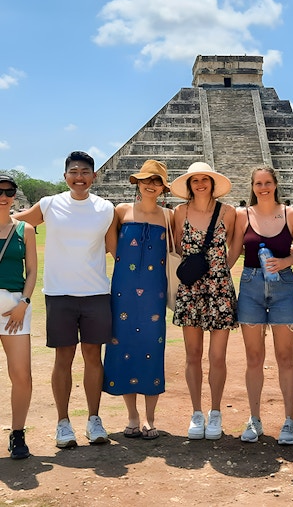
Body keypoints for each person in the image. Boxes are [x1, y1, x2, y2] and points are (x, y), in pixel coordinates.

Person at [14, 152, 116, 448]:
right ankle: (63, 422)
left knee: (93, 358)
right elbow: (15, 225)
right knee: (63, 359)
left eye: (85, 171)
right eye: (74, 171)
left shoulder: (105, 209)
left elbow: (116, 250)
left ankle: (94, 419)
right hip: (59, 295)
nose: (79, 176)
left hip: (96, 293)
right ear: (65, 177)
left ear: (94, 177)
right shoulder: (49, 204)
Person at [228, 166, 293, 445]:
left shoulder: (292, 214)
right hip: (250, 285)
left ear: (276, 185)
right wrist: (210, 275)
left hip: (283, 286)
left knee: (285, 358)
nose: (263, 188)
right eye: (258, 183)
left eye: (268, 183)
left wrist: (285, 261)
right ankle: (254, 418)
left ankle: (289, 420)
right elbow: (233, 253)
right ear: (252, 187)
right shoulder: (242, 216)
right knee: (254, 358)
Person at [103, 160, 173, 439]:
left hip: (154, 291)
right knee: (123, 347)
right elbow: (111, 244)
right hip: (124, 290)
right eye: (146, 179)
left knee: (152, 348)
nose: (151, 185)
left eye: (157, 181)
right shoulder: (120, 211)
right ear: (137, 182)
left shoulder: (169, 216)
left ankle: (150, 418)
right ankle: (132, 415)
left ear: (163, 188)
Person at [170, 162, 237, 440]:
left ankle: (216, 411)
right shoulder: (179, 212)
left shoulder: (229, 213)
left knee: (217, 356)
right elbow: (175, 247)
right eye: (194, 180)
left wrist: (220, 271)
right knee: (193, 355)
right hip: (190, 290)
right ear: (189, 185)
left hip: (219, 289)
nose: (200, 184)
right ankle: (197, 412)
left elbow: (234, 247)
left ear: (212, 183)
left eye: (204, 179)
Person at [0, 175, 37, 459]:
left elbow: (33, 271)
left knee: (21, 375)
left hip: (15, 306)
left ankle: (18, 433)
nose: (4, 197)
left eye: (9, 192)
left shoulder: (25, 229)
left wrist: (24, 302)